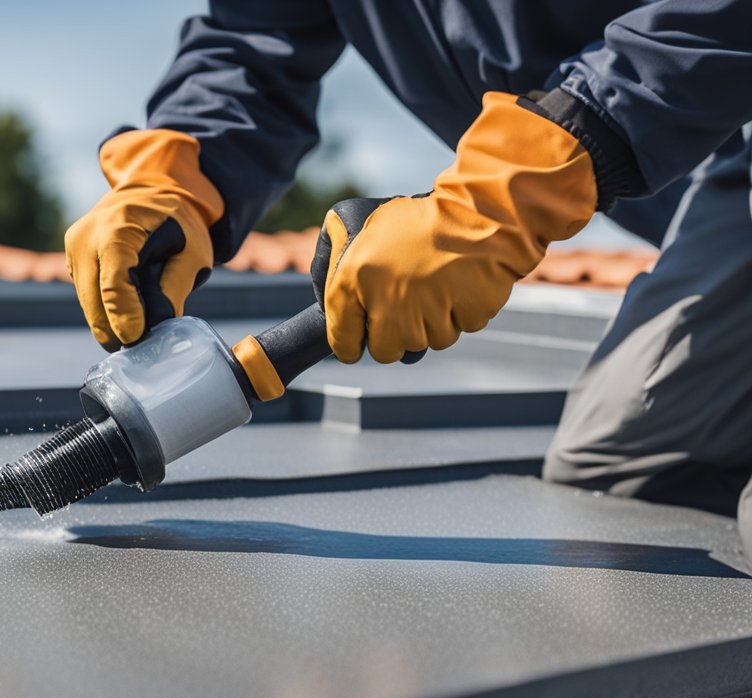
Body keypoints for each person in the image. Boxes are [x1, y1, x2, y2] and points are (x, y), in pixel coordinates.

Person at [63, 1, 752, 564]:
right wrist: (181, 180)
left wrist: (517, 186)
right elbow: (252, 40)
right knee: (626, 470)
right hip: (720, 185)